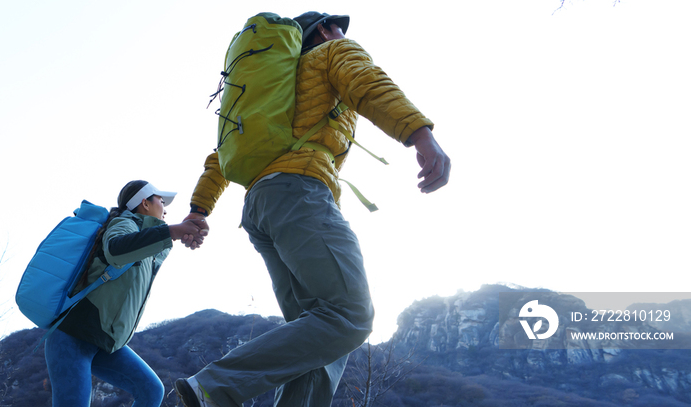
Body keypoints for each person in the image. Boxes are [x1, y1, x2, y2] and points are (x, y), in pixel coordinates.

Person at [175, 11, 450, 407]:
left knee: (317, 337)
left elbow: (221, 156)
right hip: (299, 193)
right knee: (349, 315)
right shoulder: (332, 52)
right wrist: (420, 135)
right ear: (323, 30)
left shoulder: (265, 98)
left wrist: (200, 210)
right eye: (337, 27)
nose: (342, 33)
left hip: (260, 207)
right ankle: (214, 386)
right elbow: (367, 82)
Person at [44, 180, 207, 407]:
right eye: (161, 200)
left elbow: (147, 245)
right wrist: (171, 231)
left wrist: (180, 233)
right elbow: (116, 249)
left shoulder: (146, 240)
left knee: (151, 390)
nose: (166, 208)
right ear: (145, 203)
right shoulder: (125, 221)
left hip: (105, 341)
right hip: (73, 336)